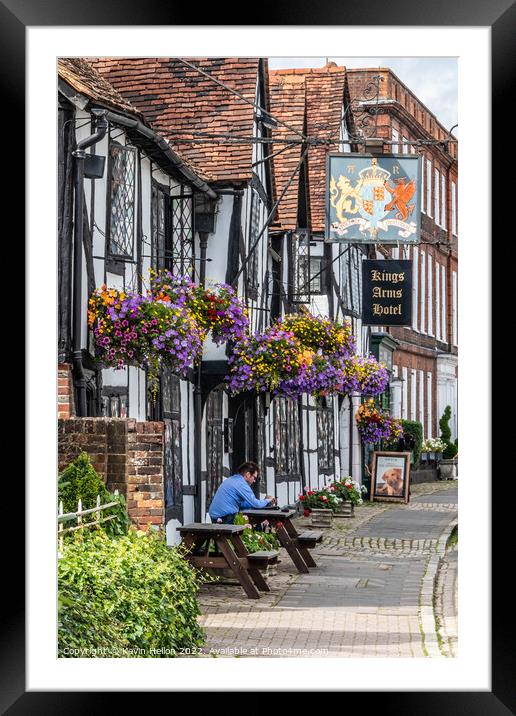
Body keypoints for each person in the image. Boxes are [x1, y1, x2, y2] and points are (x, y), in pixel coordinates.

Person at [208, 461, 276, 524]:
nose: (254, 481)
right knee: (249, 527)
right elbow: (256, 504)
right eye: (254, 478)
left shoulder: (233, 479)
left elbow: (243, 504)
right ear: (248, 474)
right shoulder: (242, 484)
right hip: (224, 517)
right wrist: (268, 500)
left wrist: (264, 502)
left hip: (215, 516)